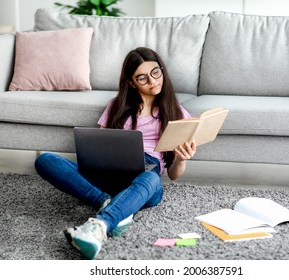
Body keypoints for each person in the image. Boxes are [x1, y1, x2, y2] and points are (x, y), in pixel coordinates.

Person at [34, 47, 196, 259]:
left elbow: (174, 175)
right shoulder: (117, 106)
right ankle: (106, 201)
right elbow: (100, 147)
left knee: (151, 177)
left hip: (146, 182)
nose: (152, 81)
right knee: (45, 160)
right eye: (142, 78)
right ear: (131, 82)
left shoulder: (176, 111)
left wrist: (182, 159)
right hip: (110, 173)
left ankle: (101, 224)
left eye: (156, 72)